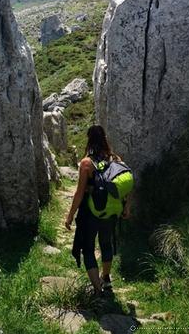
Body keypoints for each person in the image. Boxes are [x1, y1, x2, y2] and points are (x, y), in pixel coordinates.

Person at [65, 124, 132, 295]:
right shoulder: (116, 159)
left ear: (89, 140)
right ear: (105, 139)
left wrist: (70, 216)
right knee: (106, 243)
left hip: (91, 213)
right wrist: (127, 207)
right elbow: (127, 186)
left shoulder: (87, 164)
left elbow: (79, 193)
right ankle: (106, 279)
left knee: (88, 248)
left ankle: (97, 289)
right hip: (112, 211)